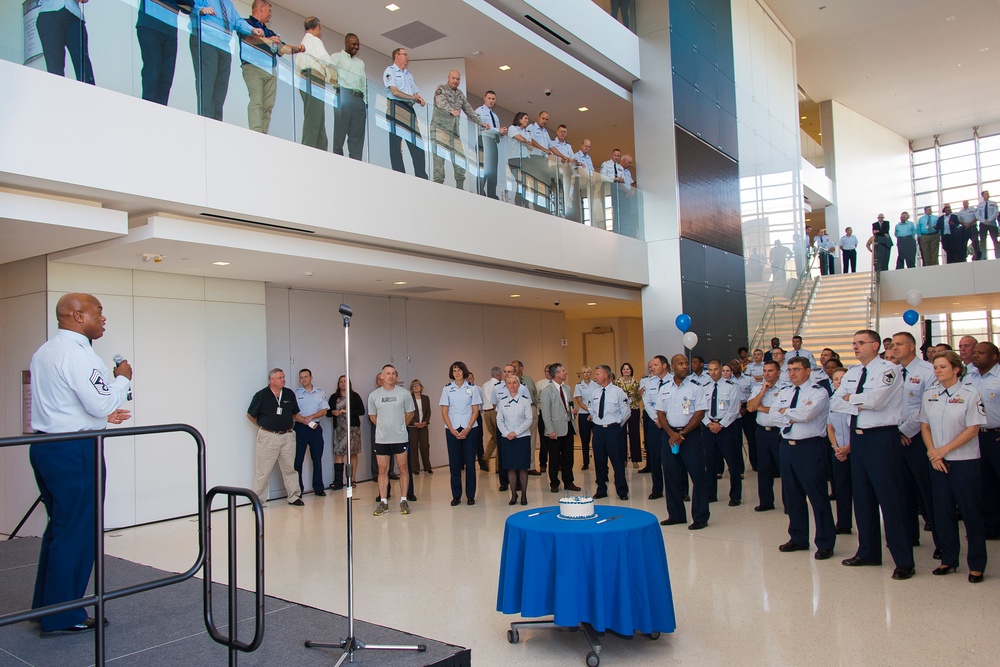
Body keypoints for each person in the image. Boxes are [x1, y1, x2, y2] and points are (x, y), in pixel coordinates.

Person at [29, 292, 132, 635]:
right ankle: (64, 615)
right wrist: (123, 378)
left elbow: (69, 403)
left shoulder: (45, 351)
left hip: (47, 446)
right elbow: (101, 401)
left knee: (60, 528)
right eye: (98, 312)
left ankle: (46, 607)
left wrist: (100, 416)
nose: (103, 318)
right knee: (78, 532)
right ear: (76, 315)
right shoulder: (79, 355)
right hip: (75, 451)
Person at [831, 329, 914, 580]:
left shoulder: (889, 370)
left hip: (882, 437)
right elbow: (835, 402)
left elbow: (877, 400)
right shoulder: (853, 373)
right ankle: (868, 552)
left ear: (875, 345)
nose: (855, 347)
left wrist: (851, 398)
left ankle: (903, 560)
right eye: (853, 343)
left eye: (860, 343)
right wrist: (857, 399)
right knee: (863, 498)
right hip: (859, 438)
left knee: (890, 500)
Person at [920, 350, 988, 582]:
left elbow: (973, 429)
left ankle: (977, 564)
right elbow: (925, 426)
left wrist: (943, 450)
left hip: (964, 462)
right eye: (935, 367)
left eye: (943, 367)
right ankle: (948, 559)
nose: (938, 371)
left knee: (971, 512)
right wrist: (934, 454)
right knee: (943, 512)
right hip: (937, 463)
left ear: (956, 369)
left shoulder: (970, 393)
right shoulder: (929, 394)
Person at [765, 356, 836, 559]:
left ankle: (825, 542)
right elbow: (772, 416)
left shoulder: (819, 392)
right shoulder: (785, 391)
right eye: (789, 370)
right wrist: (790, 412)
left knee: (817, 496)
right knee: (793, 496)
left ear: (808, 370)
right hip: (787, 447)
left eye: (796, 369)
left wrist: (784, 412)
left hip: (810, 447)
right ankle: (798, 538)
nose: (792, 373)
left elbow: (807, 415)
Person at [892, 331, 939, 553]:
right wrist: (896, 433)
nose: (895, 348)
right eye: (893, 344)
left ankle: (942, 542)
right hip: (895, 438)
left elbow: (927, 405)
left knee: (928, 491)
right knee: (902, 490)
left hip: (919, 437)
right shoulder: (891, 372)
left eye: (900, 344)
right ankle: (910, 536)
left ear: (912, 346)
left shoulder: (927, 371)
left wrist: (905, 431)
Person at [656, 354, 710, 529]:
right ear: (672, 367)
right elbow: (660, 413)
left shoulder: (696, 387)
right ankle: (676, 515)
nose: (685, 366)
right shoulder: (664, 388)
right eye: (680, 364)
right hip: (670, 436)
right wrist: (672, 434)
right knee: (671, 476)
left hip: (690, 436)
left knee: (698, 476)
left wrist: (683, 434)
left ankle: (700, 516)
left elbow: (700, 412)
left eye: (686, 363)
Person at [190, 0, 264, 121]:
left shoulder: (228, 4)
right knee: (207, 83)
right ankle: (205, 120)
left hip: (224, 45)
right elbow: (189, 4)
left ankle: (216, 123)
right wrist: (200, 9)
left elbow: (237, 21)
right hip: (205, 40)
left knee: (221, 86)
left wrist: (252, 29)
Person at [247, 369, 311, 506]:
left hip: (287, 436)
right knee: (263, 471)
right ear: (272, 380)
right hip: (268, 437)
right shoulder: (261, 395)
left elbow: (294, 414)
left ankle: (294, 497)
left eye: (283, 377)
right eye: (280, 378)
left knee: (290, 469)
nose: (283, 380)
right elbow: (250, 415)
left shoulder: (288, 393)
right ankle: (258, 500)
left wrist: (306, 421)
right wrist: (264, 426)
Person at [240, 0, 304, 135]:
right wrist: (270, 41)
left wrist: (296, 49)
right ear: (261, 9)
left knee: (268, 105)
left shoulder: (269, 32)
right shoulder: (247, 24)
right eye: (269, 10)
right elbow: (250, 39)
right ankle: (255, 132)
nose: (270, 15)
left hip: (270, 70)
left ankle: (263, 134)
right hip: (253, 68)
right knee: (257, 100)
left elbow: (283, 49)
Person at [964, 342, 1000, 540]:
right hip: (976, 436)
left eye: (981, 353)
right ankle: (991, 527)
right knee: (985, 484)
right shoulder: (969, 377)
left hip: (997, 435)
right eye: (975, 352)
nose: (975, 355)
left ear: (994, 356)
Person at [368, 364, 415, 516]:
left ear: (397, 377)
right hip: (382, 439)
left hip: (400, 438)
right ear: (381, 376)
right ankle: (383, 502)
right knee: (382, 470)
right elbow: (372, 416)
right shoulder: (374, 395)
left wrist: (401, 426)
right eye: (387, 373)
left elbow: (410, 413)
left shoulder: (404, 393)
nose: (390, 376)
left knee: (403, 469)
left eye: (393, 373)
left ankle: (403, 500)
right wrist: (383, 427)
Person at [431, 70, 489, 189]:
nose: (455, 81)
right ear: (448, 78)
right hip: (440, 130)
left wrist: (481, 123)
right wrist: (450, 110)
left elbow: (469, 110)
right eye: (453, 78)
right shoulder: (441, 89)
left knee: (460, 160)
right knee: (439, 163)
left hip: (454, 133)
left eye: (457, 79)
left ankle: (460, 188)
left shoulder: (460, 94)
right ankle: (437, 188)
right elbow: (440, 103)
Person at [747, 360, 792, 512]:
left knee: (784, 469)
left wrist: (763, 408)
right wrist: (763, 392)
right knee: (763, 468)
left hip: (778, 432)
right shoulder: (758, 387)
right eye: (765, 371)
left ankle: (789, 503)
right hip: (761, 432)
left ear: (778, 372)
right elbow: (751, 407)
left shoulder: (786, 388)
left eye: (770, 371)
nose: (766, 374)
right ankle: (766, 502)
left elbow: (784, 410)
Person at [440, 361, 483, 506]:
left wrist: (469, 427)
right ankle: (456, 495)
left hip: (470, 428)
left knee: (470, 463)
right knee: (454, 463)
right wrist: (452, 429)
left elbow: (475, 410)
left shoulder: (472, 388)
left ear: (464, 371)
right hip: (452, 429)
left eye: (459, 370)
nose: (457, 373)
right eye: (454, 370)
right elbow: (444, 411)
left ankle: (470, 495)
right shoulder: (447, 389)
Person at [702, 360, 743, 506]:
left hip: (726, 428)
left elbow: (733, 410)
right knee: (710, 463)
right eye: (710, 370)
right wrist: (709, 424)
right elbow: (701, 409)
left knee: (732, 462)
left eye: (716, 369)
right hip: (709, 427)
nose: (713, 372)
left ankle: (735, 495)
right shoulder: (705, 387)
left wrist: (721, 425)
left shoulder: (731, 387)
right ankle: (711, 493)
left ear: (721, 369)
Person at [137, 0, 194, 105]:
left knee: (166, 77)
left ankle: (160, 113)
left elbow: (190, 4)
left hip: (170, 32)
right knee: (152, 72)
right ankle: (147, 109)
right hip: (149, 25)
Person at [587, 365, 631, 501]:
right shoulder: (595, 393)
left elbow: (626, 412)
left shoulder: (618, 392)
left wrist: (616, 425)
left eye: (598, 374)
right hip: (598, 430)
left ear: (606, 375)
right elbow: (591, 409)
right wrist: (596, 421)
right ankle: (601, 489)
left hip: (613, 430)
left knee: (617, 461)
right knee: (599, 461)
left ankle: (622, 490)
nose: (595, 377)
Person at [383, 47, 428, 178]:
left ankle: (421, 175)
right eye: (404, 54)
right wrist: (411, 97)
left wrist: (419, 98)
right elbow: (394, 91)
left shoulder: (408, 74)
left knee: (417, 143)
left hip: (409, 108)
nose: (407, 57)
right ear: (396, 56)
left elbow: (414, 92)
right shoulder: (390, 71)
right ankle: (399, 175)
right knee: (396, 144)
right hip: (396, 106)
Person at [295, 17, 337, 151]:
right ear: (318, 27)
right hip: (314, 79)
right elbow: (326, 60)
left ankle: (320, 150)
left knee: (317, 117)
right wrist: (337, 77)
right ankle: (309, 150)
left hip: (305, 80)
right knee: (314, 118)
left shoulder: (304, 41)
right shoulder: (314, 40)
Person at [539, 363, 580, 493]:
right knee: (554, 457)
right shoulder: (547, 391)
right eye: (563, 371)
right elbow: (546, 413)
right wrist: (550, 430)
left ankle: (569, 481)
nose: (565, 372)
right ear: (556, 374)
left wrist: (572, 411)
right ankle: (554, 482)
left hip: (568, 425)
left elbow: (566, 406)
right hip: (554, 429)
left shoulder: (567, 388)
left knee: (568, 457)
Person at [37, 0, 96, 86]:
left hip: (74, 16)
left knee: (83, 62)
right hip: (49, 13)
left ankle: (90, 95)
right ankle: (58, 95)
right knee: (55, 65)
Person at [496, 375, 533, 505]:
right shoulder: (502, 402)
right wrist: (507, 433)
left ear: (518, 385)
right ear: (506, 385)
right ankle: (513, 495)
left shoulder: (525, 401)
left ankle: (523, 495)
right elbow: (499, 420)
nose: (512, 385)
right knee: (510, 468)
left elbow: (529, 419)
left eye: (514, 383)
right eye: (509, 383)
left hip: (522, 438)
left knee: (522, 467)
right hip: (507, 439)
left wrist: (516, 432)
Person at [331, 33, 367, 160]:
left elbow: (364, 83)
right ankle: (337, 162)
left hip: (358, 99)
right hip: (343, 95)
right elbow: (330, 75)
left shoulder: (360, 63)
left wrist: (365, 102)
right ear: (346, 43)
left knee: (357, 137)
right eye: (353, 44)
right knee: (340, 132)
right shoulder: (336, 57)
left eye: (358, 44)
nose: (356, 47)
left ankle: (356, 164)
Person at [826, 367, 854, 535]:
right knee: (841, 489)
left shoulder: (855, 400)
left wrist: (848, 448)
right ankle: (843, 523)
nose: (839, 382)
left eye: (843, 378)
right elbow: (830, 428)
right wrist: (837, 448)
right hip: (838, 452)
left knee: (860, 491)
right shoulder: (832, 401)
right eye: (836, 379)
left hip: (855, 450)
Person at [293, 369, 328, 496]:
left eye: (306, 377)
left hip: (315, 427)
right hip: (300, 427)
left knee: (317, 459)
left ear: (311, 378)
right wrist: (304, 420)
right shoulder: (295, 393)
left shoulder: (319, 392)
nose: (303, 379)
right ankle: (298, 490)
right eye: (301, 377)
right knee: (297, 460)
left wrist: (311, 417)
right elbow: (292, 412)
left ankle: (318, 487)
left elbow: (324, 410)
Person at [640, 356, 670, 498]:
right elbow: (647, 403)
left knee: (673, 458)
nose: (652, 368)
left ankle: (681, 491)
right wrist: (656, 418)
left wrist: (664, 420)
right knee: (655, 458)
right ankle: (657, 489)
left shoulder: (673, 381)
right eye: (651, 365)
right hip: (655, 424)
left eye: (656, 365)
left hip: (670, 425)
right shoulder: (650, 382)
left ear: (664, 366)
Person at [328, 375, 364, 490]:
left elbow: (361, 411)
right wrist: (334, 412)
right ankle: (338, 481)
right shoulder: (334, 397)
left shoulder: (355, 396)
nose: (343, 383)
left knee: (353, 453)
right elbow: (327, 411)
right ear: (338, 384)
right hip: (339, 429)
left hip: (352, 429)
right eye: (341, 382)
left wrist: (347, 411)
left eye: (345, 381)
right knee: (339, 454)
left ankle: (352, 480)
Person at [475, 90, 508, 199]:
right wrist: (498, 130)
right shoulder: (480, 110)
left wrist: (501, 132)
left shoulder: (495, 115)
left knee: (493, 169)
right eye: (489, 98)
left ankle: (491, 192)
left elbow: (495, 131)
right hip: (483, 140)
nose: (491, 101)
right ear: (484, 98)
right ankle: (480, 189)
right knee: (485, 167)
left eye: (493, 99)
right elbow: (481, 126)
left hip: (493, 142)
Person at [512, 360, 540, 474]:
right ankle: (518, 466)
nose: (513, 369)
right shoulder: (511, 381)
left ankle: (531, 466)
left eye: (515, 366)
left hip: (531, 409)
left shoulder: (529, 380)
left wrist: (535, 408)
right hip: (517, 412)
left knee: (531, 438)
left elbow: (535, 395)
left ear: (521, 367)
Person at [615, 362, 643, 467]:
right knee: (621, 435)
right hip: (621, 410)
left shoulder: (636, 382)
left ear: (631, 370)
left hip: (634, 409)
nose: (626, 371)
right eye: (624, 369)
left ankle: (635, 459)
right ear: (621, 371)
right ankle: (623, 459)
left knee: (634, 434)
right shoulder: (617, 382)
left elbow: (639, 397)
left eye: (628, 369)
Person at [574, 365, 597, 470]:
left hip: (595, 414)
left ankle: (600, 461)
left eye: (588, 372)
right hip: (584, 414)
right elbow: (579, 401)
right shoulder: (578, 386)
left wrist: (593, 413)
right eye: (584, 372)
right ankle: (586, 462)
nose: (586, 374)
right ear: (582, 374)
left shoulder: (596, 384)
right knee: (585, 440)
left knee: (597, 440)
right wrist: (589, 411)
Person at [407, 379, 432, 474]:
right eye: (414, 386)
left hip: (424, 426)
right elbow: (407, 412)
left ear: (421, 387)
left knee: (425, 446)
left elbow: (428, 411)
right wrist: (414, 423)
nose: (416, 387)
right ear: (411, 388)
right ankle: (415, 468)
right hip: (413, 427)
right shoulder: (409, 398)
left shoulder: (426, 398)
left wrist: (425, 421)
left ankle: (427, 467)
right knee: (413, 447)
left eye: (418, 385)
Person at [480, 367, 503, 469]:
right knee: (500, 438)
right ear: (498, 374)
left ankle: (485, 457)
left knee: (494, 437)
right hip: (495, 412)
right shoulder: (499, 385)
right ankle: (499, 466)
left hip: (486, 413)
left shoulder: (484, 385)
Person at [977, 190, 999, 260]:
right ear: (983, 196)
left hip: (992, 223)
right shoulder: (980, 205)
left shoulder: (993, 203)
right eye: (986, 194)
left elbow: (996, 212)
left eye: (988, 194)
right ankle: (983, 257)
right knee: (983, 240)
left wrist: (989, 220)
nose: (987, 195)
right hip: (983, 224)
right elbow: (977, 214)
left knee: (995, 240)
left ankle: (998, 256)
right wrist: (983, 221)